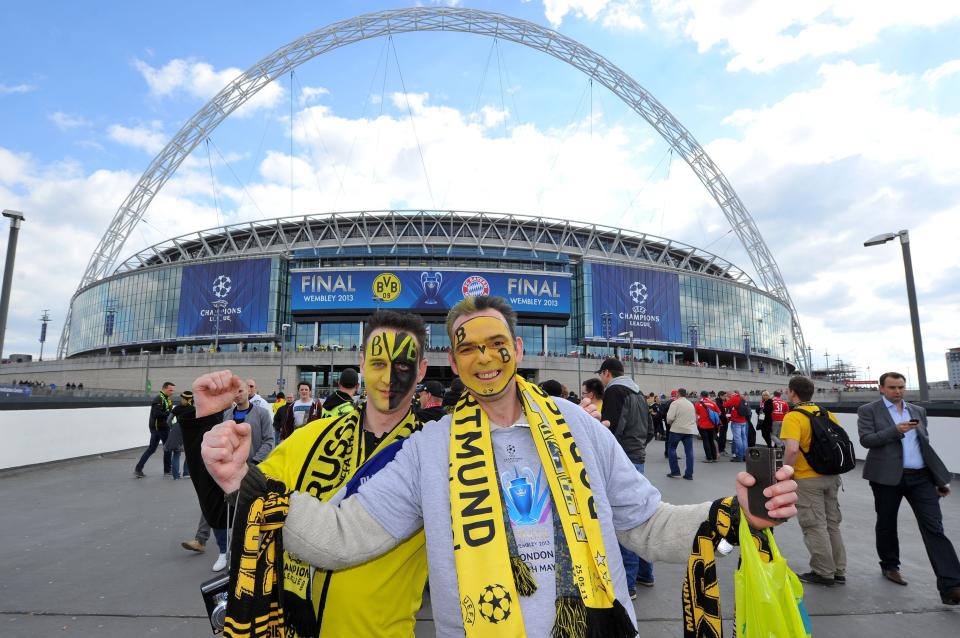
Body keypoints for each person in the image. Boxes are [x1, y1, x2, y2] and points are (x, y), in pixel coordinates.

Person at [203, 296, 798, 637]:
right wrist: (243, 483)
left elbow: (647, 524)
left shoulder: (580, 428)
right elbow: (341, 537)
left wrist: (733, 514)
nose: (484, 359)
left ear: (517, 349)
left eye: (495, 345)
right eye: (468, 348)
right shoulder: (428, 451)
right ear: (454, 364)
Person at [198, 310, 432, 636]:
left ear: (421, 370)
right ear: (362, 362)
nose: (389, 377)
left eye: (403, 366)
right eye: (378, 363)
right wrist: (205, 427)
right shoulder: (311, 438)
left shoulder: (431, 455)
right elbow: (231, 507)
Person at [857, 372, 960, 604]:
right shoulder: (868, 410)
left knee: (934, 528)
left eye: (901, 387)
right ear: (881, 388)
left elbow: (925, 446)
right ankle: (890, 565)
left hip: (921, 477)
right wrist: (896, 430)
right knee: (886, 523)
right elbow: (866, 440)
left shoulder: (918, 411)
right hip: (886, 478)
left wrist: (937, 480)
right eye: (892, 387)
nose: (898, 391)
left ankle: (952, 586)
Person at [781, 376, 848, 587]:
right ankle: (838, 569)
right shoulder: (826, 413)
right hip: (831, 476)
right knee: (832, 524)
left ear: (792, 392)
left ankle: (822, 571)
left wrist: (786, 472)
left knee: (814, 525)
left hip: (808, 478)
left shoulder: (793, 417)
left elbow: (792, 449)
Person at [597, 357, 656, 594]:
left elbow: (608, 430)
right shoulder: (638, 392)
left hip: (622, 460)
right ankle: (645, 573)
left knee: (623, 522)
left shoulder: (614, 391)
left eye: (601, 374)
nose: (601, 379)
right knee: (639, 515)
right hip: (637, 455)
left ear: (607, 373)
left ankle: (628, 583)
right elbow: (651, 429)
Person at [134, 381, 175, 478]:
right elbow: (156, 414)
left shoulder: (166, 399)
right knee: (168, 448)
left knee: (151, 449)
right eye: (170, 390)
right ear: (164, 388)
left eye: (173, 390)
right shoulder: (158, 399)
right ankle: (167, 470)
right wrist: (170, 413)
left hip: (159, 428)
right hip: (160, 428)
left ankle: (138, 469)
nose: (172, 392)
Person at [665, 388, 697, 480]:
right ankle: (689, 474)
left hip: (676, 430)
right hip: (688, 430)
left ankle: (675, 472)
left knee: (672, 449)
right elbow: (693, 418)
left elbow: (670, 418)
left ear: (678, 394)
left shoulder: (675, 403)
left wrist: (671, 423)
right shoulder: (691, 404)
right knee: (689, 452)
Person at [165, 390, 194, 480]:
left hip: (177, 431)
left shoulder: (177, 408)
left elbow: (168, 420)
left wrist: (173, 427)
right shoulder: (193, 409)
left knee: (176, 454)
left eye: (182, 398)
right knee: (189, 453)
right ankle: (186, 473)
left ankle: (176, 476)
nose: (181, 399)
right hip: (188, 432)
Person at [694, 390, 721, 463]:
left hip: (702, 425)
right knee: (711, 440)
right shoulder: (713, 403)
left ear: (701, 396)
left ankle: (709, 458)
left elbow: (696, 415)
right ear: (707, 395)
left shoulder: (698, 404)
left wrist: (697, 423)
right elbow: (719, 413)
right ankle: (714, 457)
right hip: (711, 425)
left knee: (705, 441)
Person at [724, 389, 749, 462]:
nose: (727, 397)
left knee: (738, 439)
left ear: (730, 394)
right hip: (743, 421)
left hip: (736, 421)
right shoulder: (741, 397)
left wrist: (727, 400)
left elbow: (725, 405)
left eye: (727, 396)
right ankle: (745, 456)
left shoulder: (734, 398)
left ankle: (739, 456)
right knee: (744, 439)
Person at [715, 391, 730, 456]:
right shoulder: (718, 403)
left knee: (722, 435)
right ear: (721, 396)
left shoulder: (720, 402)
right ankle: (721, 449)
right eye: (725, 396)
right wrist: (726, 417)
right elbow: (720, 413)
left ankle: (721, 449)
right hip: (722, 421)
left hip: (722, 421)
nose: (726, 397)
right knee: (722, 436)